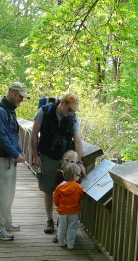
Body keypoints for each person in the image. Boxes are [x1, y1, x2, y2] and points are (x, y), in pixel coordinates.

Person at [31, 92, 85, 235]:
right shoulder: (44, 112)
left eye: (73, 110)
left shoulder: (73, 118)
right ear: (62, 103)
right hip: (47, 155)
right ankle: (49, 220)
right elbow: (34, 133)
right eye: (69, 109)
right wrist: (35, 155)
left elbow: (78, 141)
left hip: (65, 158)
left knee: (67, 189)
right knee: (48, 188)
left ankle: (62, 220)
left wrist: (79, 162)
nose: (70, 112)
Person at [0, 81, 29, 241]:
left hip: (8, 159)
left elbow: (12, 136)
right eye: (19, 96)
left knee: (9, 194)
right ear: (11, 92)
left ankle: (6, 223)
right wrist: (15, 153)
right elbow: (1, 138)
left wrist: (20, 152)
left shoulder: (10, 112)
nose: (21, 99)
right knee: (0, 196)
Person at [53, 163, 86, 249]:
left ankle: (61, 242)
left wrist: (59, 205)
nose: (79, 177)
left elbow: (55, 199)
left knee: (62, 227)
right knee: (72, 228)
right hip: (74, 211)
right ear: (75, 176)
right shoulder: (79, 187)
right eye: (79, 175)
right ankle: (70, 244)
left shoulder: (59, 187)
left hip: (63, 211)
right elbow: (82, 196)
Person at [52, 150, 79, 243]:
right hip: (62, 202)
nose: (69, 163)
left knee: (70, 221)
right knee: (61, 221)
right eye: (67, 160)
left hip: (72, 204)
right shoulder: (60, 173)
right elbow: (56, 187)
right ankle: (59, 235)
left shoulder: (76, 174)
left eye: (72, 161)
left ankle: (67, 237)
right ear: (63, 160)